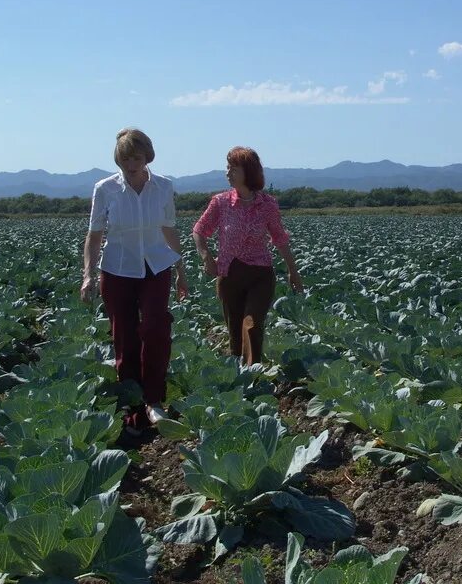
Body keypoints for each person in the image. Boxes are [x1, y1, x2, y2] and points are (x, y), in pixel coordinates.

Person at [81, 128, 188, 435]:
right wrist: (87, 274)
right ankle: (131, 403)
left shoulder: (163, 187)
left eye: (137, 157)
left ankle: (154, 399)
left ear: (147, 157)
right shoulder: (105, 189)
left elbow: (169, 229)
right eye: (126, 158)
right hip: (117, 268)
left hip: (155, 265)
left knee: (156, 326)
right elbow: (94, 235)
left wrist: (181, 270)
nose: (131, 164)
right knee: (124, 336)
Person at [192, 146, 302, 365]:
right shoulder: (220, 202)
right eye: (227, 168)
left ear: (248, 172)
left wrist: (293, 271)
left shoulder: (268, 204)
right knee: (234, 329)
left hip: (260, 273)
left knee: (251, 324)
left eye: (233, 168)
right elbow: (199, 230)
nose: (228, 173)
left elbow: (280, 238)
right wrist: (206, 257)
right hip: (229, 274)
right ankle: (239, 377)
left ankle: (254, 372)